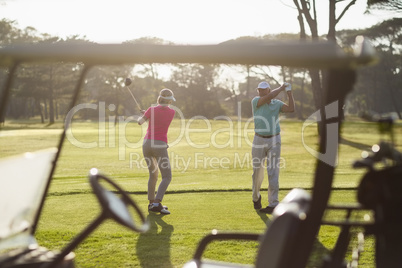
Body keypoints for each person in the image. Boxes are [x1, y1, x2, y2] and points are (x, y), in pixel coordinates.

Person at [251, 81, 295, 213]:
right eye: (259, 89)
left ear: (268, 90)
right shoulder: (256, 101)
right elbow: (268, 98)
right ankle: (256, 197)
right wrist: (281, 88)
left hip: (274, 139)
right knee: (257, 173)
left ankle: (273, 204)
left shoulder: (277, 104)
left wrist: (289, 93)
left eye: (263, 90)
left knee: (273, 172)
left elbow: (291, 109)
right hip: (258, 139)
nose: (260, 92)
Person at [137, 88, 176, 215]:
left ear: (160, 98)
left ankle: (151, 204)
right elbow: (161, 115)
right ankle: (157, 203)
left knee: (153, 174)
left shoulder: (151, 110)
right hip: (159, 144)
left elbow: (140, 122)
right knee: (167, 176)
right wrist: (149, 114)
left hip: (146, 144)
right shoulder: (172, 112)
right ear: (170, 101)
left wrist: (146, 114)